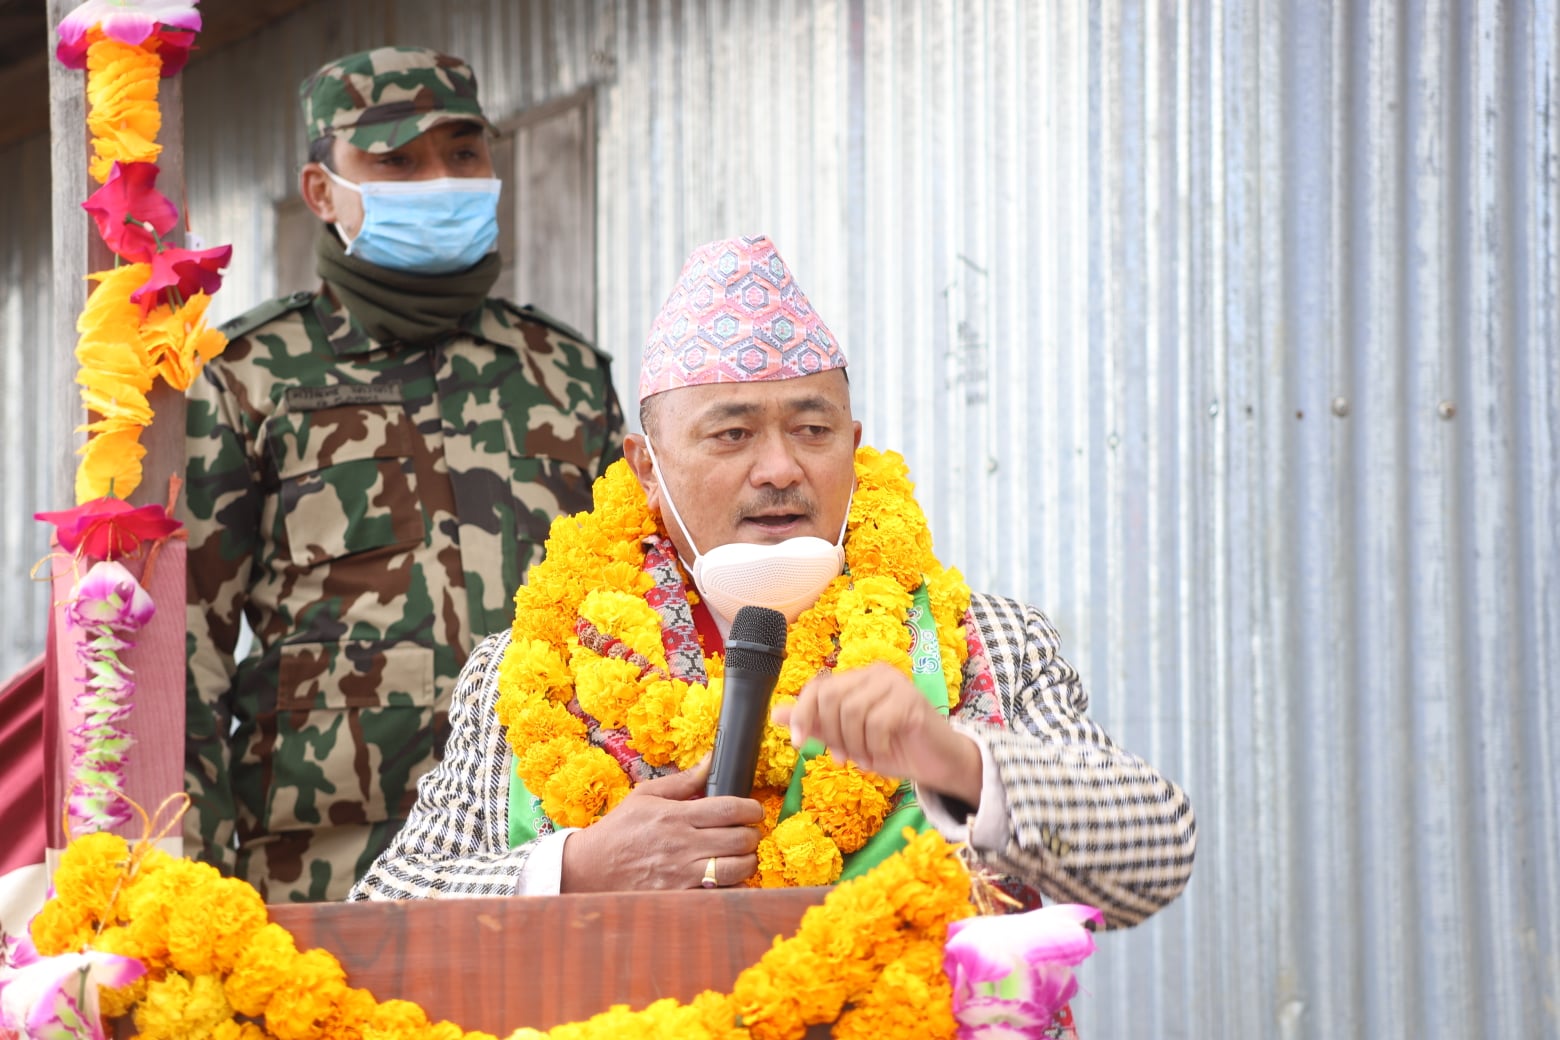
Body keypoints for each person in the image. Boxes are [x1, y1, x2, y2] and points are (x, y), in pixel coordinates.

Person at [350, 235, 1195, 930]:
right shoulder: (526, 669)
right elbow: (381, 912)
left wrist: (957, 762)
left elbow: (1155, 856)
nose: (781, 469)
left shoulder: (986, 640)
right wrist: (575, 867)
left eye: (813, 428)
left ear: (854, 444)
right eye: (731, 434)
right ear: (645, 469)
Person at [182, 46, 625, 902]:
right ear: (322, 191)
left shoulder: (564, 373)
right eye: (396, 160)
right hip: (319, 869)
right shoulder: (250, 375)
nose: (439, 180)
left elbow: (639, 600)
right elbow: (189, 655)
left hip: (539, 852)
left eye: (463, 153)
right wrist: (194, 889)